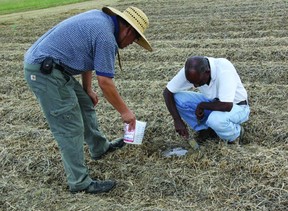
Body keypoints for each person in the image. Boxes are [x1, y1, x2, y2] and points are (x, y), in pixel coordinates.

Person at [24, 6, 152, 194]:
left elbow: (87, 55)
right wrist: (125, 112)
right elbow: (106, 82)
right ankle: (79, 182)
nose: (132, 43)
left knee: (85, 104)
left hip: (55, 67)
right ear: (128, 30)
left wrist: (87, 89)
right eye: (135, 39)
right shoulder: (107, 37)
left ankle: (99, 148)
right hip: (45, 72)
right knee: (70, 126)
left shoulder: (102, 22)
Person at [163, 56, 250, 145]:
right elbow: (167, 92)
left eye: (198, 82)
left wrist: (202, 105)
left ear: (207, 72)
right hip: (213, 102)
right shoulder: (191, 70)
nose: (195, 86)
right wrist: (177, 120)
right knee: (177, 98)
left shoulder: (224, 69)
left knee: (215, 120)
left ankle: (236, 134)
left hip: (237, 106)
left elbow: (227, 106)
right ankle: (205, 130)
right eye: (191, 82)